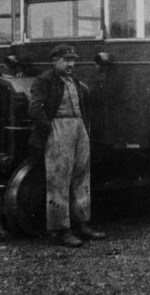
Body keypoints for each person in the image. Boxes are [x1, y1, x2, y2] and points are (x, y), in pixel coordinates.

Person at [28, 43, 106, 247]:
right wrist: (50, 131)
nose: (71, 64)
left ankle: (82, 224)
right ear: (55, 61)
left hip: (79, 129)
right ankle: (61, 229)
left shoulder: (75, 81)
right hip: (58, 129)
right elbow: (35, 109)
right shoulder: (43, 80)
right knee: (59, 180)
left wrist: (84, 129)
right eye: (66, 60)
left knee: (82, 176)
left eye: (73, 60)